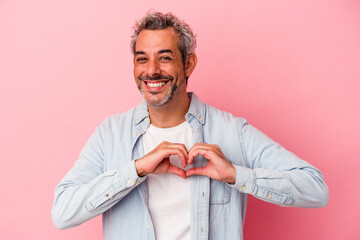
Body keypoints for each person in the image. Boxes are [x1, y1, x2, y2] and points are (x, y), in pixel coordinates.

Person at [52, 11, 329, 240]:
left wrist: (235, 175)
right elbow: (62, 213)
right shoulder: (109, 135)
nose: (151, 71)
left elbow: (316, 189)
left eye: (165, 57)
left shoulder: (232, 132)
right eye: (142, 59)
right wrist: (136, 170)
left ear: (189, 64)